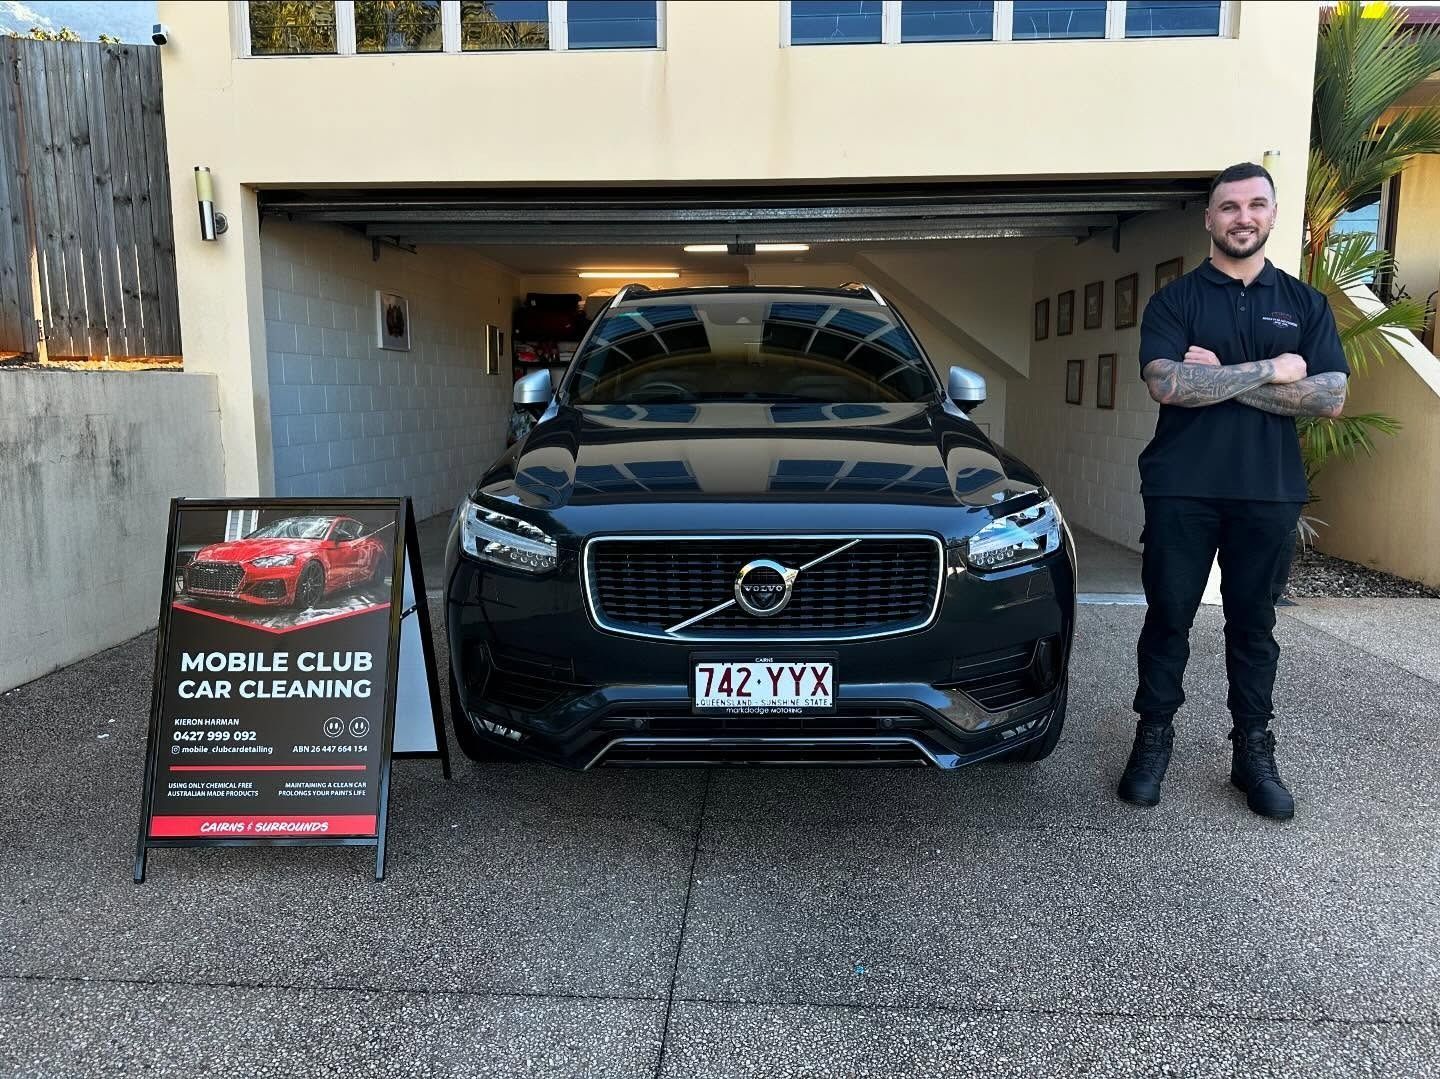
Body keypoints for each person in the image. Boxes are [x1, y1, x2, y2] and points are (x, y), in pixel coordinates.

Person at [1117, 162, 1349, 821]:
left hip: (1268, 492)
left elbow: (1330, 397)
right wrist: (1275, 373)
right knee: (1168, 620)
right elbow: (1166, 383)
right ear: (1209, 219)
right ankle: (1151, 740)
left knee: (1254, 626)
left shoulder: (1305, 304)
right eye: (1228, 207)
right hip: (1180, 488)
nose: (1242, 217)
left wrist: (1226, 377)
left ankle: (1253, 753)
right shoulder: (1176, 301)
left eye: (1255, 205)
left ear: (1273, 216)